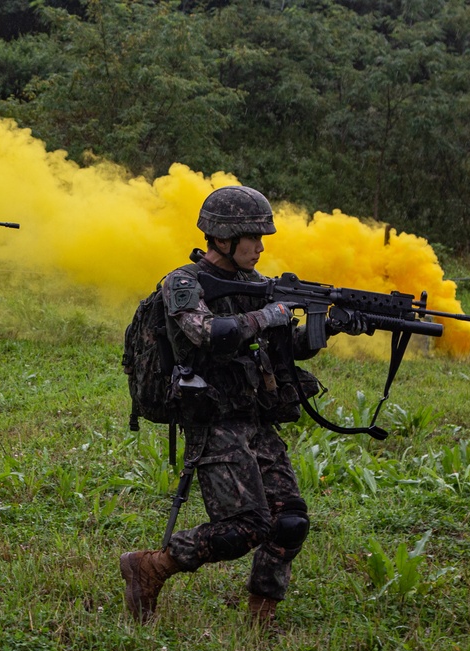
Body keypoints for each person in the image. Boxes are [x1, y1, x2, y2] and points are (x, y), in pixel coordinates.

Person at [119, 185, 365, 627]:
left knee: (290, 521)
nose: (261, 245)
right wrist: (268, 315)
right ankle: (151, 566)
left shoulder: (256, 285)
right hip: (211, 418)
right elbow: (207, 334)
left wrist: (326, 327)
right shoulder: (184, 283)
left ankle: (261, 616)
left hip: (253, 416)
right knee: (246, 526)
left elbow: (282, 347)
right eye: (253, 236)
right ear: (223, 237)